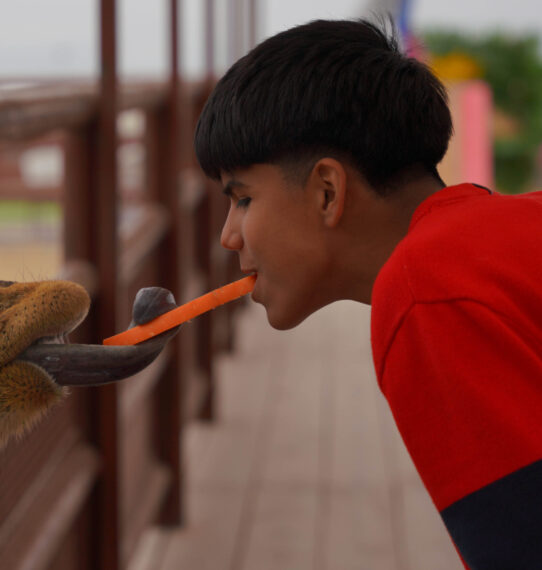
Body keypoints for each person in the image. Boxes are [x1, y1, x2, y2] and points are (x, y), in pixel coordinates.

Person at [194, 18, 542, 569]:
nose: (228, 235)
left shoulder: (425, 291)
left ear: (327, 191)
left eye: (242, 199)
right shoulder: (495, 235)